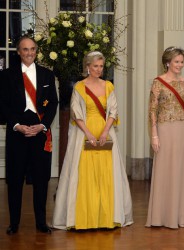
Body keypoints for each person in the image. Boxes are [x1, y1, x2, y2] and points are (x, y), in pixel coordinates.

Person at [52, 51, 133, 230]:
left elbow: (113, 111)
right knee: (84, 174)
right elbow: (76, 113)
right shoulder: (79, 87)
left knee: (106, 173)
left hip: (105, 131)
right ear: (87, 66)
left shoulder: (108, 86)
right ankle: (85, 218)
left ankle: (105, 218)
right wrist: (88, 134)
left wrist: (105, 132)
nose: (98, 69)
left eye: (101, 66)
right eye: (95, 66)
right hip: (84, 132)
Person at [0, 36, 58, 234]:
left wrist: (42, 125)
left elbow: (53, 104)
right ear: (18, 52)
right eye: (25, 49)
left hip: (40, 134)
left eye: (32, 49)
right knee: (15, 180)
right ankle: (14, 223)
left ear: (37, 50)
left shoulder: (47, 75)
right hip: (17, 134)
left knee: (41, 180)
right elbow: (3, 105)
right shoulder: (6, 76)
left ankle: (41, 222)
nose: (29, 53)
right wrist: (16, 125)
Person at [146, 46, 184, 229]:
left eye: (182, 61)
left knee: (182, 171)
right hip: (165, 129)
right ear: (167, 62)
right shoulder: (158, 82)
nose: (180, 65)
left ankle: (183, 215)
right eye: (176, 61)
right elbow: (152, 110)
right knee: (165, 170)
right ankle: (163, 217)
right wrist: (154, 134)